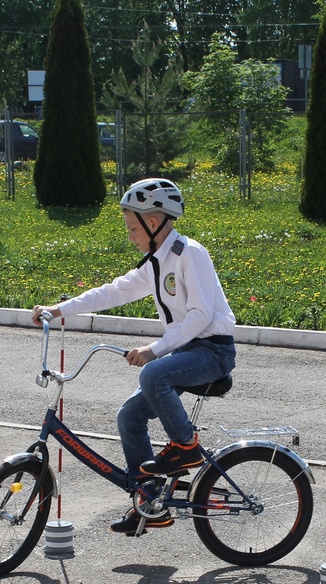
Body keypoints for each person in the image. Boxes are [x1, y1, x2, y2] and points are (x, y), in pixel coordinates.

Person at [31, 178, 236, 536]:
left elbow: (201, 315)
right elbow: (113, 291)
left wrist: (154, 350)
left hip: (212, 351)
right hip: (186, 352)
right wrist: (58, 310)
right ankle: (150, 501)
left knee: (152, 373)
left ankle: (186, 446)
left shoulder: (190, 254)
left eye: (131, 227)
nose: (130, 235)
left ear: (152, 223)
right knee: (128, 416)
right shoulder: (156, 263)